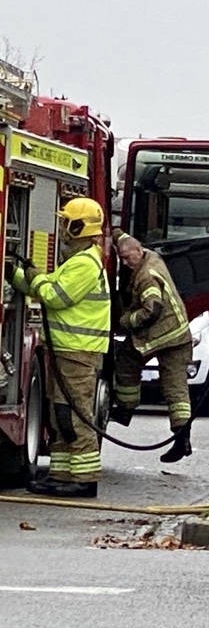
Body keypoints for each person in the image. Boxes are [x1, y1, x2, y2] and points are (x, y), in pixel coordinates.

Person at [9, 197, 111, 498]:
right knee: (60, 416)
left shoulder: (84, 264)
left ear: (77, 227)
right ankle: (62, 474)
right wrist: (16, 274)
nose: (62, 228)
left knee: (74, 416)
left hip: (79, 353)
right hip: (70, 351)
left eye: (66, 223)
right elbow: (46, 285)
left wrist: (33, 275)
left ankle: (84, 478)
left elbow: (54, 295)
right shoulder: (79, 262)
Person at [112, 231, 195, 463]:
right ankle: (182, 439)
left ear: (139, 251)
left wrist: (126, 321)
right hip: (179, 333)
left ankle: (126, 408)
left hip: (162, 333)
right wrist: (115, 234)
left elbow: (153, 308)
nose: (126, 262)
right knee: (177, 387)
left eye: (129, 258)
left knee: (127, 358)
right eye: (122, 258)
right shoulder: (151, 256)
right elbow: (126, 240)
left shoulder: (146, 276)